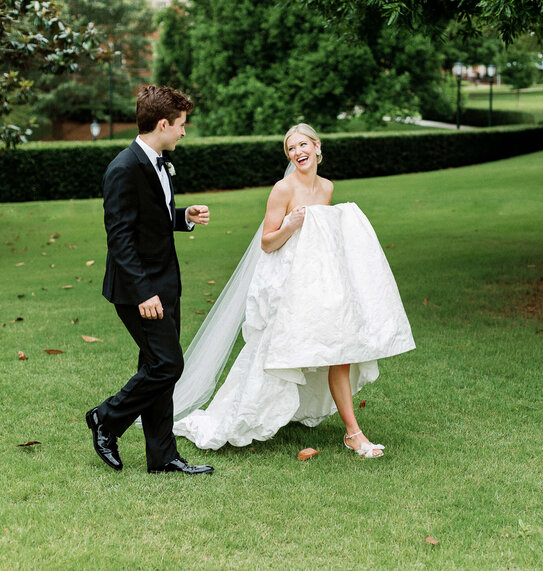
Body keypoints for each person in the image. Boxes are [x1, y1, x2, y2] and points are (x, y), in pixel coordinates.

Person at [171, 123, 415, 458]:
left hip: (320, 282)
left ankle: (353, 433)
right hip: (287, 286)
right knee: (273, 354)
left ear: (317, 147)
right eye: (290, 149)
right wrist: (290, 224)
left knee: (338, 350)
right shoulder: (283, 190)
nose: (297, 152)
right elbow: (267, 243)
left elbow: (323, 238)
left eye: (302, 145)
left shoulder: (327, 187)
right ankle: (244, 416)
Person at [85, 85, 214, 475]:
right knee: (168, 365)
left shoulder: (158, 161)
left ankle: (163, 457)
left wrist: (184, 216)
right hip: (139, 290)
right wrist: (144, 293)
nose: (184, 132)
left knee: (158, 365)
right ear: (163, 124)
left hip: (165, 284)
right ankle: (106, 418)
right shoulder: (123, 168)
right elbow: (120, 239)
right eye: (181, 125)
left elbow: (153, 221)